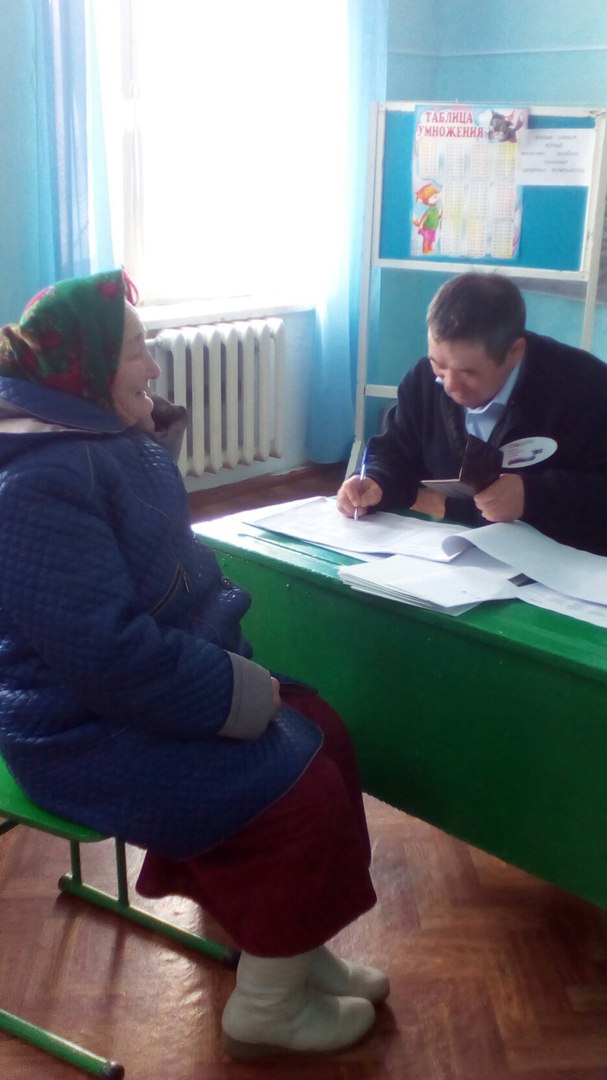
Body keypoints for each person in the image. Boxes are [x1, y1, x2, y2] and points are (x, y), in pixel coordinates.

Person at [0, 270, 388, 1060]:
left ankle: (289, 946)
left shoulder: (86, 440)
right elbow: (107, 656)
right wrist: (231, 690)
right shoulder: (37, 484)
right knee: (294, 791)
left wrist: (229, 681)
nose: (153, 366)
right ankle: (266, 1011)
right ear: (85, 369)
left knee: (325, 731)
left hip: (132, 693)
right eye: (136, 352)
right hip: (73, 730)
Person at [337, 272, 607, 555]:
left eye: (469, 372)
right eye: (439, 365)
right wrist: (375, 480)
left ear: (514, 352)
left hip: (561, 562)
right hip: (458, 552)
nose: (450, 385)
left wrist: (534, 496)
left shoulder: (585, 390)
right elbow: (396, 449)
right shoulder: (423, 381)